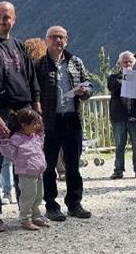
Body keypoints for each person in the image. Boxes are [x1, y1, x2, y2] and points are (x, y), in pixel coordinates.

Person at [0, 1, 40, 227]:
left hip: (24, 111)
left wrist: (36, 108)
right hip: (0, 110)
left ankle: (26, 212)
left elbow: (32, 78)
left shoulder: (19, 46)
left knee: (24, 162)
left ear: (14, 20)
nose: (3, 21)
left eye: (7, 17)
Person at [34, 25, 92, 222]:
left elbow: (89, 84)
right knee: (48, 166)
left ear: (66, 41)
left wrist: (85, 91)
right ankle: (51, 205)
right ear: (46, 40)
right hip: (49, 121)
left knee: (73, 165)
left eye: (61, 37)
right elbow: (34, 92)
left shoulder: (76, 62)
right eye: (53, 37)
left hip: (72, 119)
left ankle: (74, 203)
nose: (58, 40)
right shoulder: (39, 65)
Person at [0, 108, 50, 230]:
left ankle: (36, 215)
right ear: (23, 125)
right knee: (28, 197)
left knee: (38, 195)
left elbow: (41, 142)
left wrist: (41, 128)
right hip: (26, 173)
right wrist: (4, 140)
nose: (37, 126)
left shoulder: (34, 136)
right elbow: (8, 153)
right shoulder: (16, 139)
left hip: (38, 172)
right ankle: (25, 218)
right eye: (34, 124)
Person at [107, 51, 136, 179]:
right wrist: (123, 80)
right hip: (119, 117)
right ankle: (118, 170)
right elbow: (111, 87)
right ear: (120, 63)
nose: (127, 64)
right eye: (125, 62)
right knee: (119, 145)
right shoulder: (113, 78)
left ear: (133, 63)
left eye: (130, 62)